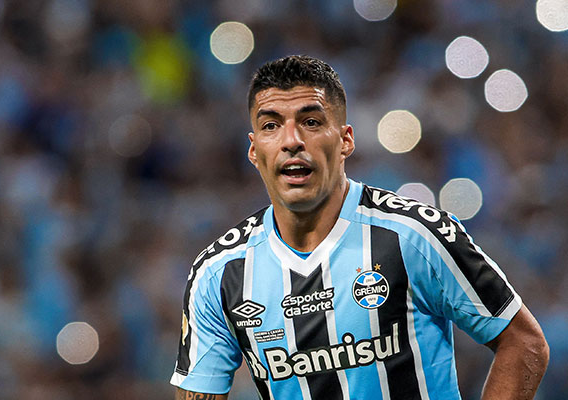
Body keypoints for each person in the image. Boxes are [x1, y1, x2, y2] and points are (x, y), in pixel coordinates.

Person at [170, 55, 549, 400]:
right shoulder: (219, 273)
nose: (291, 141)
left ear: (346, 140)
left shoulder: (414, 235)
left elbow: (523, 342)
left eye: (311, 122)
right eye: (271, 125)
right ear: (254, 150)